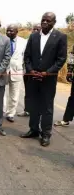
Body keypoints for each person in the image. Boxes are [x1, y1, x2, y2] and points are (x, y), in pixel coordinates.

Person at [21, 12, 67, 147]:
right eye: (43, 20)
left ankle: (46, 134)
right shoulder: (34, 36)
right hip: (33, 77)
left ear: (54, 22)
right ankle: (34, 130)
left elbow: (61, 59)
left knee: (47, 107)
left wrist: (48, 72)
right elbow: (27, 56)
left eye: (48, 20)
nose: (45, 22)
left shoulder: (60, 37)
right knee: (33, 105)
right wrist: (30, 70)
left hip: (48, 79)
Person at [3, 24, 28, 122]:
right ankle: (2, 110)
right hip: (3, 71)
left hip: (17, 71)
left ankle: (10, 113)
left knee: (14, 94)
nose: (9, 32)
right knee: (1, 93)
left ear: (17, 32)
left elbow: (26, 57)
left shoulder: (23, 42)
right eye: (7, 31)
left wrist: (25, 70)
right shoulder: (3, 40)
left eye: (11, 31)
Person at [18, 23, 41, 117]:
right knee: (28, 92)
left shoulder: (44, 42)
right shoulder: (27, 41)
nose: (35, 31)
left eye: (37, 29)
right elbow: (25, 56)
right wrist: (29, 69)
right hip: (28, 71)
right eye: (34, 29)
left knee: (39, 93)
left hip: (40, 72)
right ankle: (27, 110)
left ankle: (38, 111)